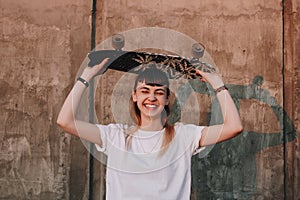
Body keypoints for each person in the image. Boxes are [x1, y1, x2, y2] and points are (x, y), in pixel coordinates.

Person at [57, 58, 243, 200]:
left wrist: (217, 83)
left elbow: (234, 127)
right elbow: (65, 121)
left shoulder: (183, 136)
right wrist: (87, 76)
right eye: (145, 91)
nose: (152, 97)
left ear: (167, 99)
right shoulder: (116, 135)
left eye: (159, 92)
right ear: (135, 96)